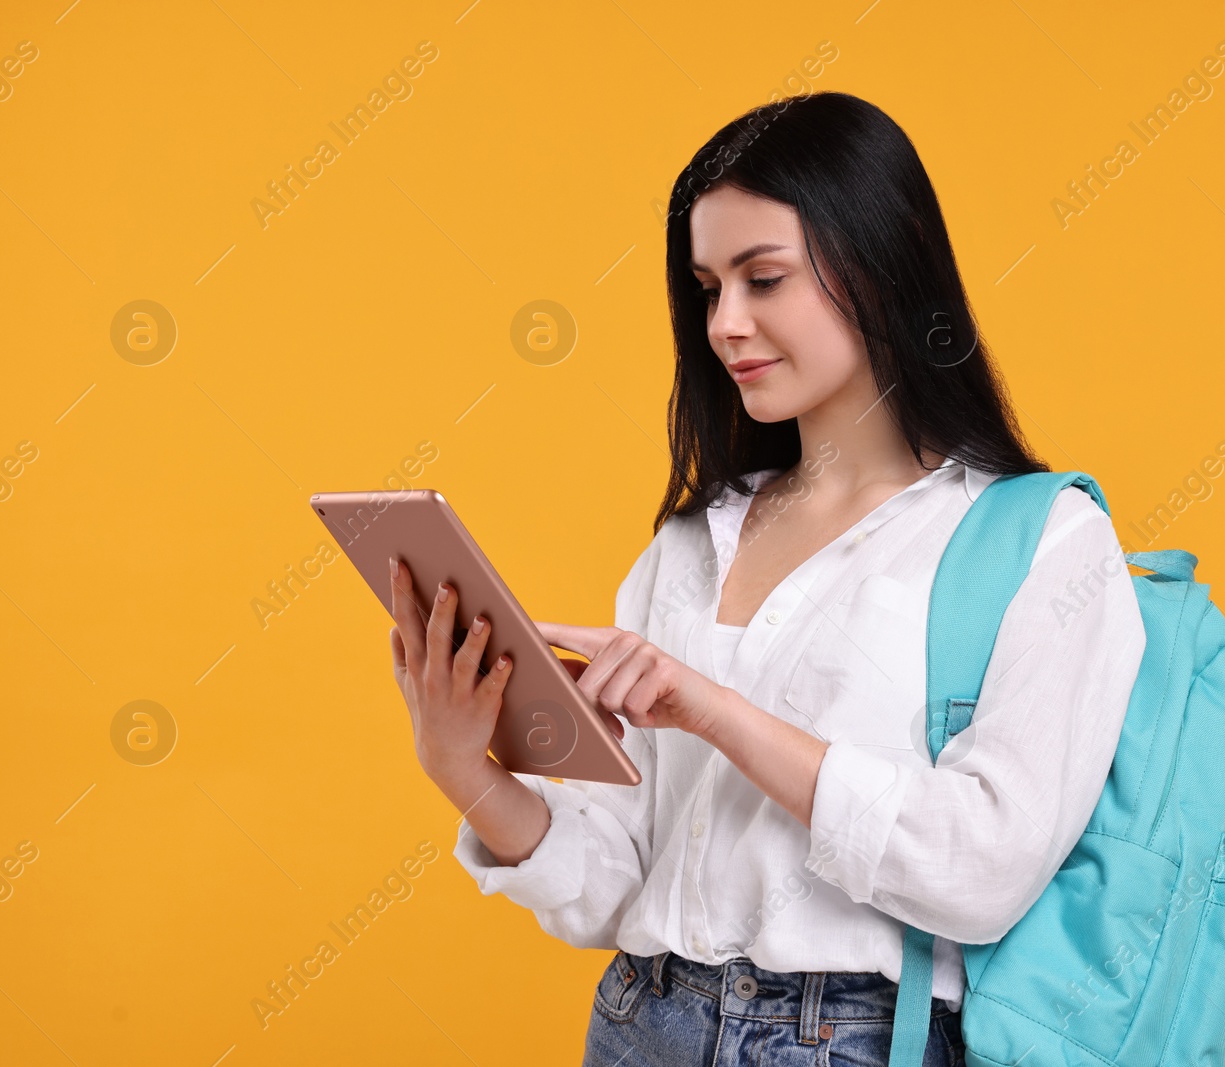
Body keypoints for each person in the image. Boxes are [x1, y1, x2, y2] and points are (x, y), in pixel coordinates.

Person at [386, 90, 1146, 1067]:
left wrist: (712, 709)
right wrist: (464, 769)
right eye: (708, 287)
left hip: (858, 1040)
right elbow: (618, 881)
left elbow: (977, 870)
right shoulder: (693, 542)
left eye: (764, 277)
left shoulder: (1040, 541)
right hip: (641, 1022)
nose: (724, 324)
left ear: (882, 266)